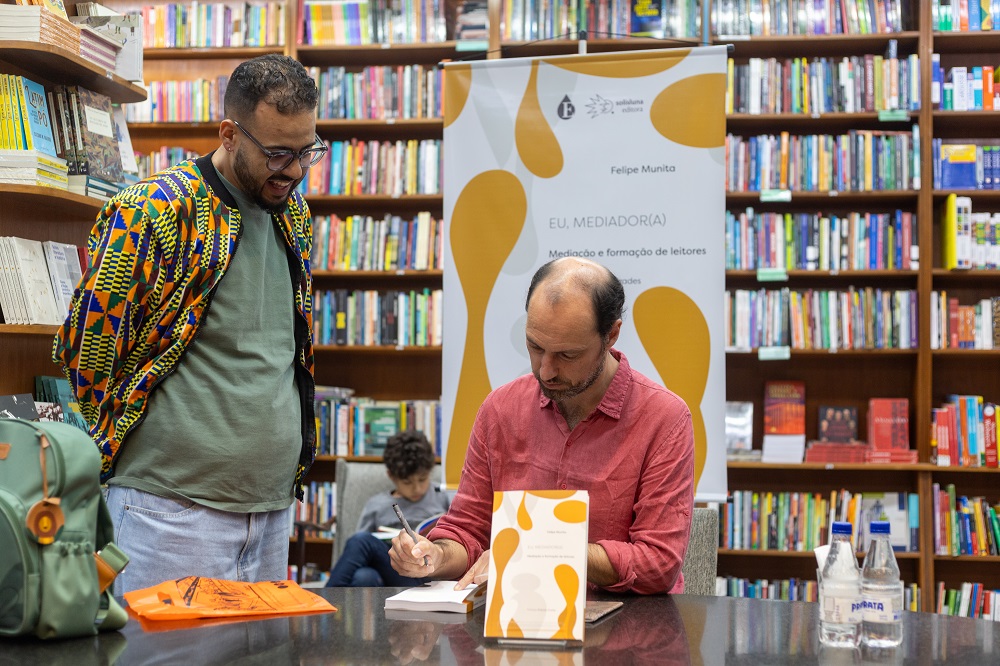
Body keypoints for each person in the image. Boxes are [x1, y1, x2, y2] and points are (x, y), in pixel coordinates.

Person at [52, 54, 326, 595]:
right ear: (229, 132)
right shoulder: (153, 209)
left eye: (306, 151)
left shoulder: (293, 215)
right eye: (276, 153)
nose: (293, 170)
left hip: (271, 512)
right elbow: (88, 347)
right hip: (167, 514)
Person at [389, 256, 695, 594]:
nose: (545, 371)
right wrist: (434, 554)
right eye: (535, 346)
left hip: (626, 631)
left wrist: (541, 551)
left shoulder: (664, 419)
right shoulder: (501, 409)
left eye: (567, 355)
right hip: (515, 625)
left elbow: (658, 564)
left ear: (612, 335)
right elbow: (470, 530)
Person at [327, 430, 451, 587]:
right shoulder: (377, 505)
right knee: (364, 576)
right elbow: (360, 553)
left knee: (361, 542)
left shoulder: (442, 497)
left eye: (422, 479)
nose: (417, 488)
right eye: (407, 482)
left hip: (430, 571)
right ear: (392, 476)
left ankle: (325, 601)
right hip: (393, 572)